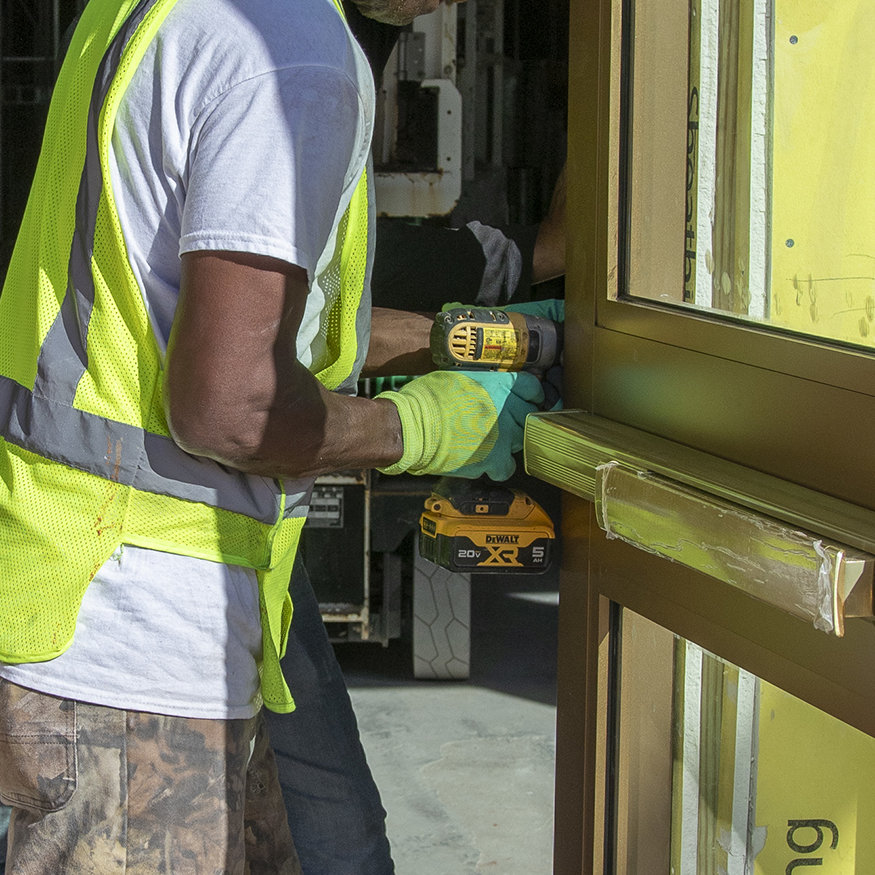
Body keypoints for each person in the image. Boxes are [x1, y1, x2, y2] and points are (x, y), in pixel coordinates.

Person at [0, 0, 555, 871]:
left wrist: (449, 336)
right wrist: (422, 426)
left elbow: (194, 314)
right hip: (140, 645)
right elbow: (233, 404)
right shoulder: (288, 50)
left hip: (85, 599)